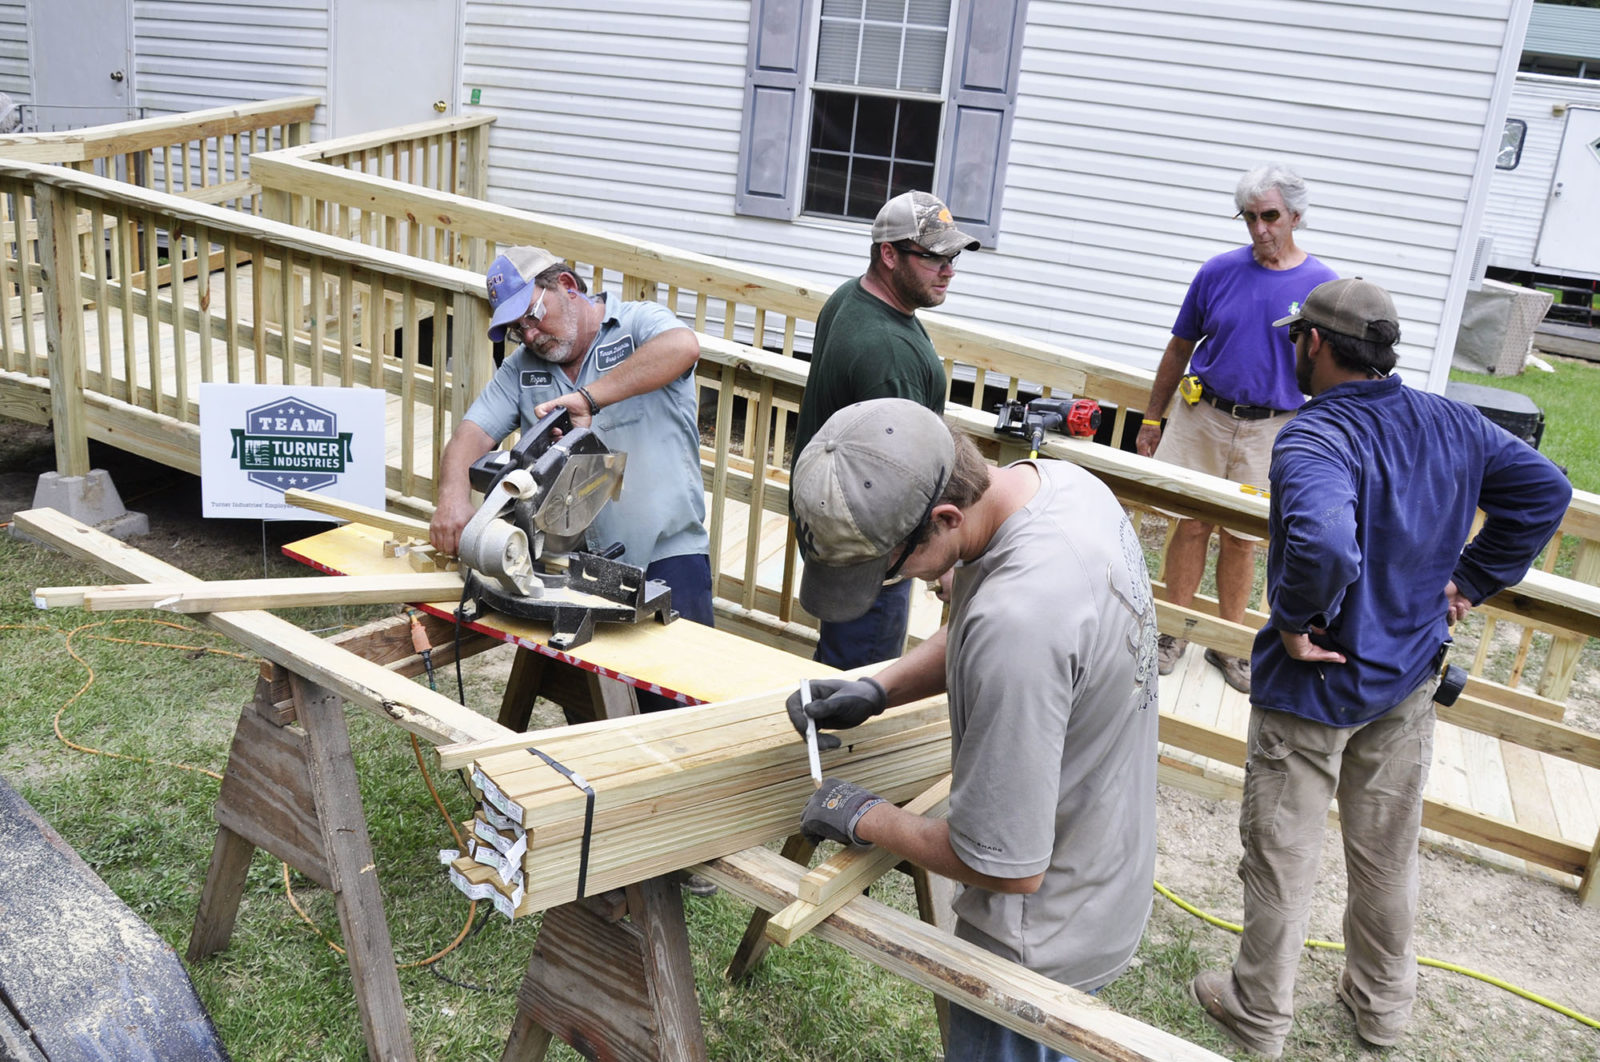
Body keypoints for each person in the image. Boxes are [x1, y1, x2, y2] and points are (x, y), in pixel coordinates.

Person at [1188, 278, 1571, 1059]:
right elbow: (1545, 490)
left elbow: (1326, 543)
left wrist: (1293, 621)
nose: (1294, 345)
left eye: (1297, 336)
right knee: (1386, 855)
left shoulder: (1313, 438)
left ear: (1316, 345)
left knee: (1280, 858)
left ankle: (1258, 1016)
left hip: (1313, 690)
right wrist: (1471, 578)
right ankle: (1382, 1011)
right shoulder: (1451, 421)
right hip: (1407, 681)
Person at [786, 397, 1159, 1060]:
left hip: (1033, 948)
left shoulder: (1021, 624)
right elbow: (974, 624)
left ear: (945, 518)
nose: (903, 582)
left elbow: (1002, 865)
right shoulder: (1062, 488)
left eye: (892, 567)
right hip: (1101, 871)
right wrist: (878, 689)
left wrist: (865, 816)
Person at [429, 245, 713, 684]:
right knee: (586, 708)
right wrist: (451, 500)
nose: (528, 335)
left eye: (532, 316)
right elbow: (471, 432)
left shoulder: (636, 325)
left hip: (668, 558)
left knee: (680, 696)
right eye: (515, 328)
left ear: (565, 286)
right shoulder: (521, 368)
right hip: (570, 568)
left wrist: (588, 398)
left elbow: (683, 346)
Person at [1135, 164, 1339, 695]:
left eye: (1270, 216)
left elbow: (1331, 372)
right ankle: (1172, 634)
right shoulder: (1218, 271)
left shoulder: (1322, 287)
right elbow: (1179, 348)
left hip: (1272, 428)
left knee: (1244, 537)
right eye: (1249, 217)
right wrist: (1153, 418)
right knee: (1190, 524)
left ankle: (1229, 642)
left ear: (1296, 216)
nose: (1259, 229)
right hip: (1202, 415)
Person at [791, 190, 979, 670]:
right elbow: (909, 476)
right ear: (889, 254)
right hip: (879, 544)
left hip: (839, 525)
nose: (949, 271)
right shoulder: (886, 352)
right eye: (934, 258)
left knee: (838, 657)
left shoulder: (852, 298)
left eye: (953, 256)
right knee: (860, 675)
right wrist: (953, 560)